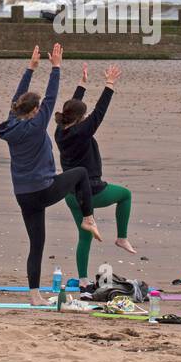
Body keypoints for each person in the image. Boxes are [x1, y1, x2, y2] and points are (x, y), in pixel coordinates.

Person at [0, 43, 99, 308]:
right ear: (33, 112)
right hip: (42, 189)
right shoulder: (35, 124)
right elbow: (51, 97)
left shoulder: (11, 122)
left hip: (23, 195)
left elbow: (17, 98)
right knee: (80, 173)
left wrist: (31, 68)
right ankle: (88, 217)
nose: (42, 110)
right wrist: (55, 67)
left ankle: (34, 296)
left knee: (37, 244)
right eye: (38, 108)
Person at [54, 62, 134, 282]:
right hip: (92, 191)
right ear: (80, 119)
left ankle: (82, 281)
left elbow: (71, 108)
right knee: (125, 195)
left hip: (70, 193)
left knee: (85, 236)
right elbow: (100, 112)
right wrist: (109, 84)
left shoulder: (60, 130)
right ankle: (121, 237)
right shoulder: (82, 132)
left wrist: (82, 85)